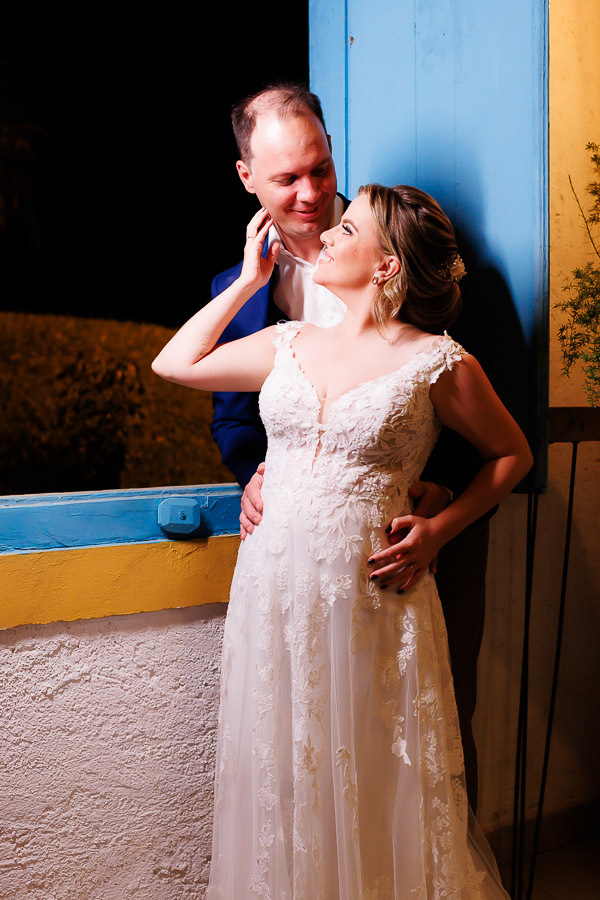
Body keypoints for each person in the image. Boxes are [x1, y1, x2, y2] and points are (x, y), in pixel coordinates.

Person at [152, 183, 532, 896]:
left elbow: (512, 456)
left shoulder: (439, 363)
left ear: (386, 266)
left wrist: (438, 531)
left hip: (374, 602)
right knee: (284, 771)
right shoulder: (286, 342)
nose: (326, 234)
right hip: (273, 593)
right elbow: (175, 363)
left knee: (373, 770)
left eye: (347, 228)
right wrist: (249, 280)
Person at [210, 83, 488, 809]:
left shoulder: (399, 239)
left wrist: (443, 488)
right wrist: (253, 473)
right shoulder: (236, 292)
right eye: (285, 178)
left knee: (418, 750)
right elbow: (234, 420)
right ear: (247, 177)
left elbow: (462, 381)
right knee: (298, 756)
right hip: (295, 569)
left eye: (320, 169)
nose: (309, 193)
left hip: (405, 548)